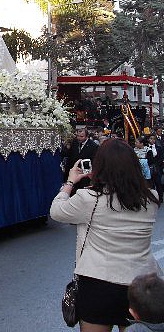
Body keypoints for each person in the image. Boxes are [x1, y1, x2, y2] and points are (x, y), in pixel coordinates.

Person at [50, 138, 161, 331]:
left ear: (99, 166)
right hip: (142, 286)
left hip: (98, 283)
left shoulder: (89, 198)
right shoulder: (151, 199)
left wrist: (70, 182)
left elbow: (56, 211)